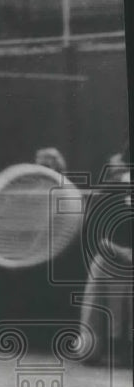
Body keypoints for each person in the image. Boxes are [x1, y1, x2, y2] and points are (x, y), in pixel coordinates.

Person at [75, 147, 132, 367]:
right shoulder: (109, 190)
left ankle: (125, 347)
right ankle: (94, 342)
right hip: (108, 259)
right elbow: (94, 231)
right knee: (88, 352)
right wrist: (114, 250)